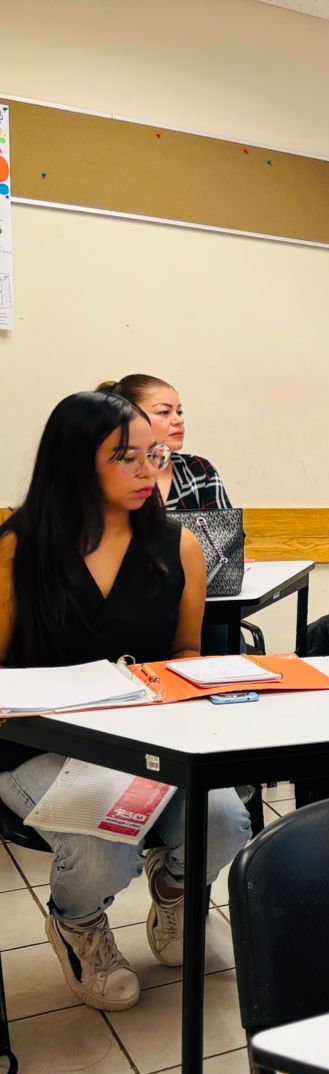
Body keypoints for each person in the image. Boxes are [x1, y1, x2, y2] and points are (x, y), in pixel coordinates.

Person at [0, 391, 252, 1011]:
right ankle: (78, 924)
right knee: (104, 836)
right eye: (125, 457)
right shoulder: (18, 547)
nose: (148, 471)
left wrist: (189, 686)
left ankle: (175, 893)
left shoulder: (178, 546)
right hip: (38, 745)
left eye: (153, 455)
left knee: (224, 819)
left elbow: (186, 651)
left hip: (147, 741)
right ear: (74, 462)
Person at [100, 374, 231, 511]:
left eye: (179, 412)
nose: (179, 420)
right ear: (127, 418)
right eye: (164, 412)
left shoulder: (197, 470)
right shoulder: (107, 474)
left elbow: (224, 525)